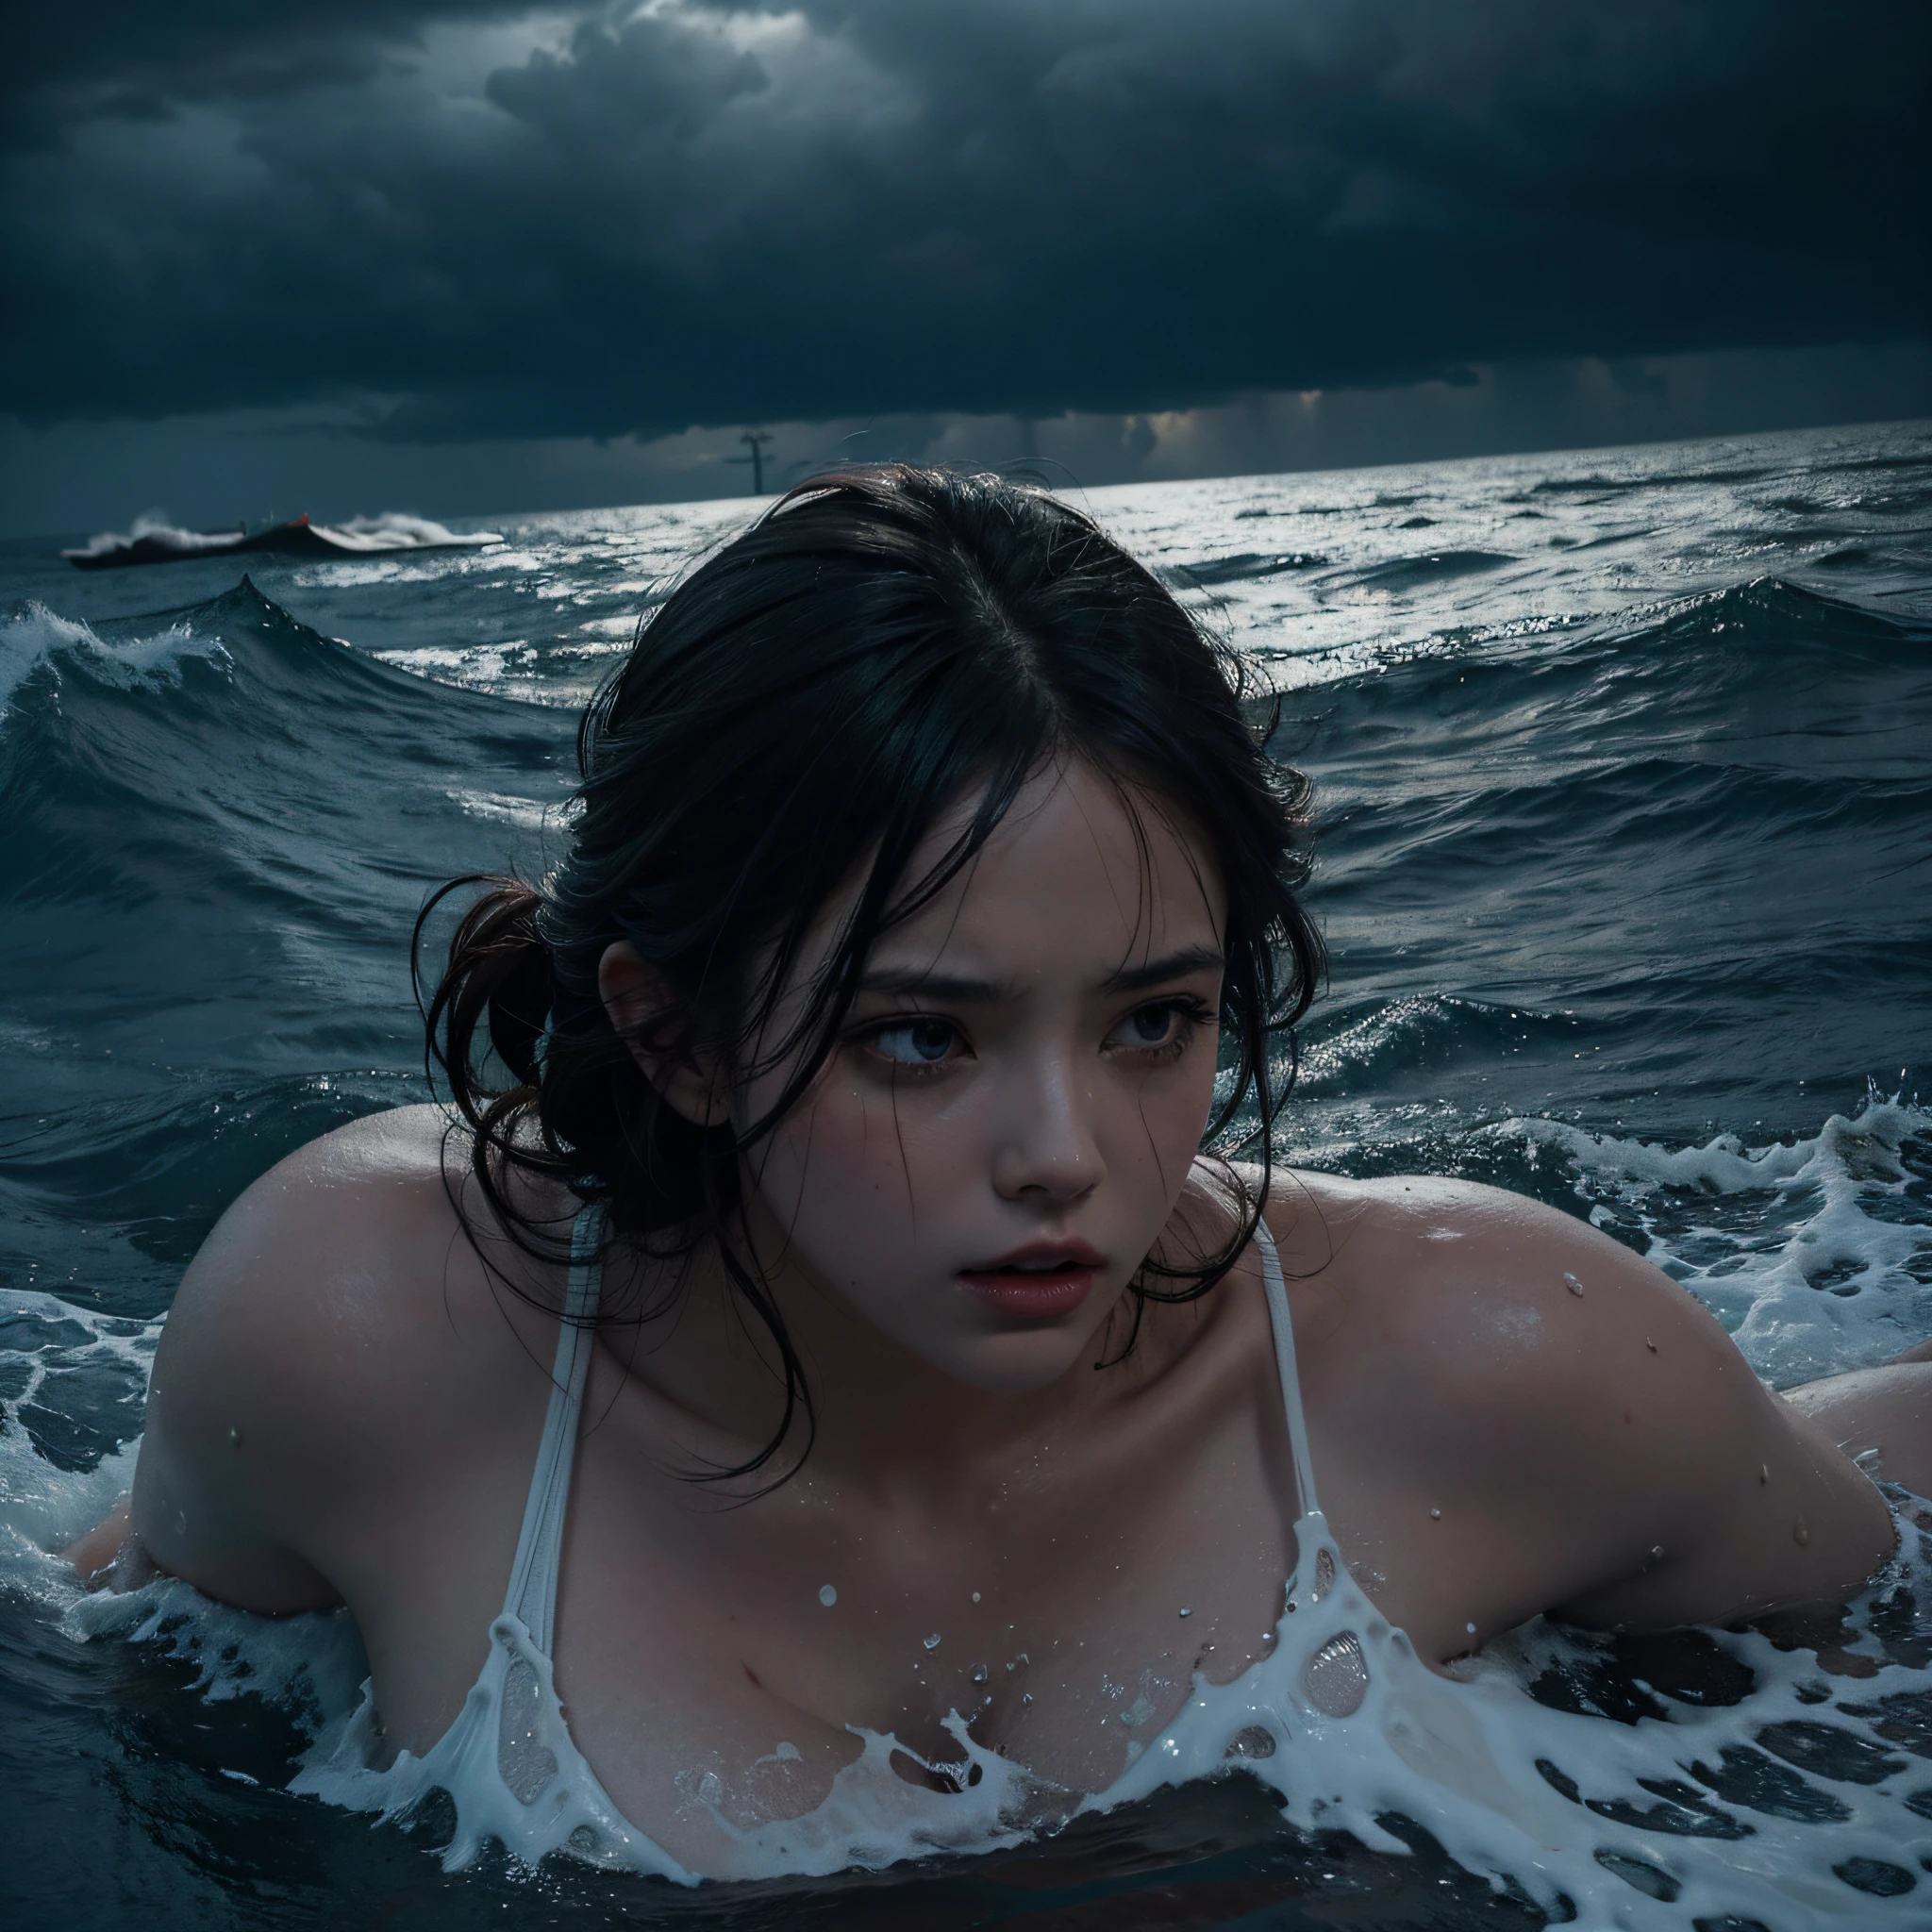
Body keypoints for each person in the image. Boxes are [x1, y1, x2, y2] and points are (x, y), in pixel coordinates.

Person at [67, 464, 1931, 1881]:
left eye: (1150, 1021)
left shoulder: (1486, 1358)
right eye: (922, 1038)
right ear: (677, 1032)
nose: (1066, 1161)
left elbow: (1857, 1631)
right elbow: (160, 1690)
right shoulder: (357, 1337)